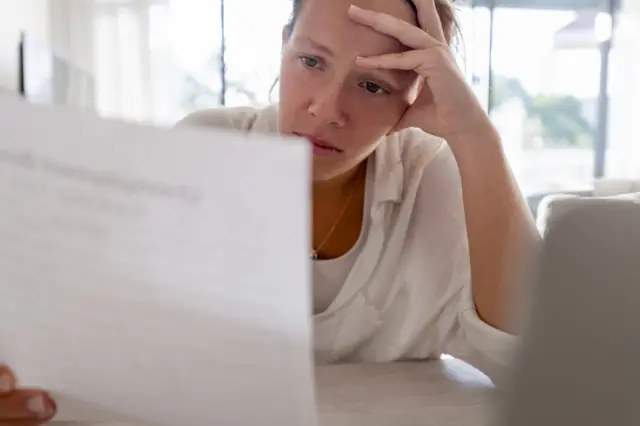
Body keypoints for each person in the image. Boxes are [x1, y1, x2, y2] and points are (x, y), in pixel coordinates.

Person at [0, 0, 540, 423]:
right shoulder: (204, 149)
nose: (325, 111)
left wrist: (475, 136)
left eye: (373, 85)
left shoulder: (432, 177)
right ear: (284, 45)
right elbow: (102, 332)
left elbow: (533, 361)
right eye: (311, 61)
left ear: (415, 94)